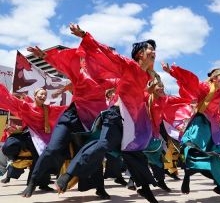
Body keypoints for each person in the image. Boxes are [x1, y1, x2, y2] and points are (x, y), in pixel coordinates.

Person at [52, 24, 160, 203]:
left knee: (135, 155)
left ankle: (146, 191)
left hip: (132, 123)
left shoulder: (149, 78)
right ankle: (67, 176)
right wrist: (86, 36)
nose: (153, 51)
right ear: (140, 53)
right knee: (101, 145)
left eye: (154, 49)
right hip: (116, 116)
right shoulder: (129, 66)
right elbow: (109, 54)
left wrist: (148, 92)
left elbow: (139, 98)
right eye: (149, 48)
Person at [22, 28, 117, 198]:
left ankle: (99, 187)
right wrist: (44, 56)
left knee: (93, 152)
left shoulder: (109, 81)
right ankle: (33, 182)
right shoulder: (80, 71)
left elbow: (129, 79)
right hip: (71, 116)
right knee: (52, 149)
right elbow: (64, 62)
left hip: (90, 120)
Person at [162, 63, 220, 199]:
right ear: (214, 78)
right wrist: (172, 71)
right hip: (198, 124)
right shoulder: (204, 87)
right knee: (195, 151)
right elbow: (188, 80)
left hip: (211, 127)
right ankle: (187, 173)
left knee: (214, 159)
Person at [0, 86, 66, 191]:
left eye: (45, 95)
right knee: (10, 145)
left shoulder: (48, 109)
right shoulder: (26, 106)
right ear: (35, 96)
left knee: (41, 158)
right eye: (41, 94)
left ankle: (42, 184)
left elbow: (63, 110)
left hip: (41, 138)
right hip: (27, 135)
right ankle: (15, 159)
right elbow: (11, 101)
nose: (43, 96)